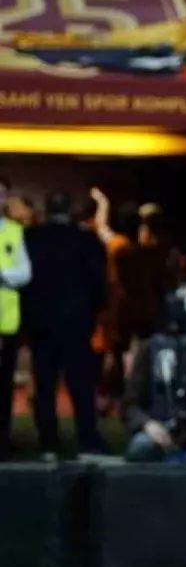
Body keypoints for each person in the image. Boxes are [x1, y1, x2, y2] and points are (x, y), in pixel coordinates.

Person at [24, 191, 107, 459]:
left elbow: (25, 280)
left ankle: (48, 442)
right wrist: (94, 312)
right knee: (81, 385)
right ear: (70, 209)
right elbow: (99, 282)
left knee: (45, 385)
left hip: (41, 322)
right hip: (77, 322)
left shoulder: (31, 237)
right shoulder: (86, 239)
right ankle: (87, 439)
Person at [0, 175, 31, 460]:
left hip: (5, 323)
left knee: (3, 386)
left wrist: (3, 276)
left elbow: (25, 273)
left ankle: (2, 441)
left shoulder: (14, 231)